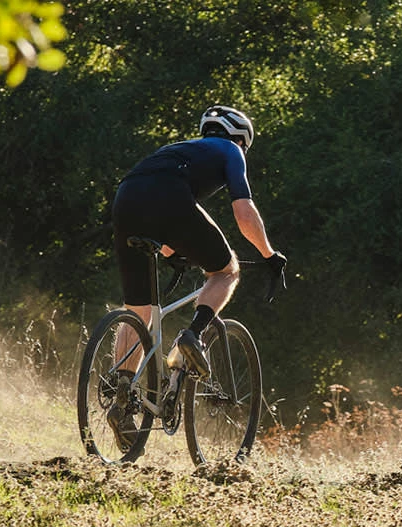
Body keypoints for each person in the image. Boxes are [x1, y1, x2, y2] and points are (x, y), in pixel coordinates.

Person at [105, 105, 286, 446]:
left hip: (126, 198)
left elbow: (155, 202)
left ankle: (122, 397)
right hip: (170, 198)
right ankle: (193, 335)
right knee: (225, 269)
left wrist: (172, 251)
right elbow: (243, 211)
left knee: (138, 310)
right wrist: (269, 254)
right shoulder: (231, 151)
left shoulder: (175, 150)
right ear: (242, 139)